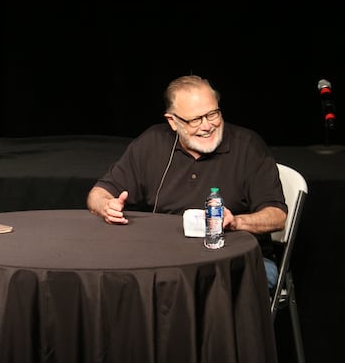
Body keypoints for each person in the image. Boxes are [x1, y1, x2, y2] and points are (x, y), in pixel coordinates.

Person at [86, 74, 287, 290]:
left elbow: (277, 217)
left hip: (237, 261)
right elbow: (97, 194)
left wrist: (235, 222)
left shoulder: (248, 146)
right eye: (195, 119)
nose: (207, 126)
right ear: (173, 121)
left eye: (212, 114)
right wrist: (106, 207)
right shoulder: (151, 143)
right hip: (167, 259)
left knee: (187, 290)